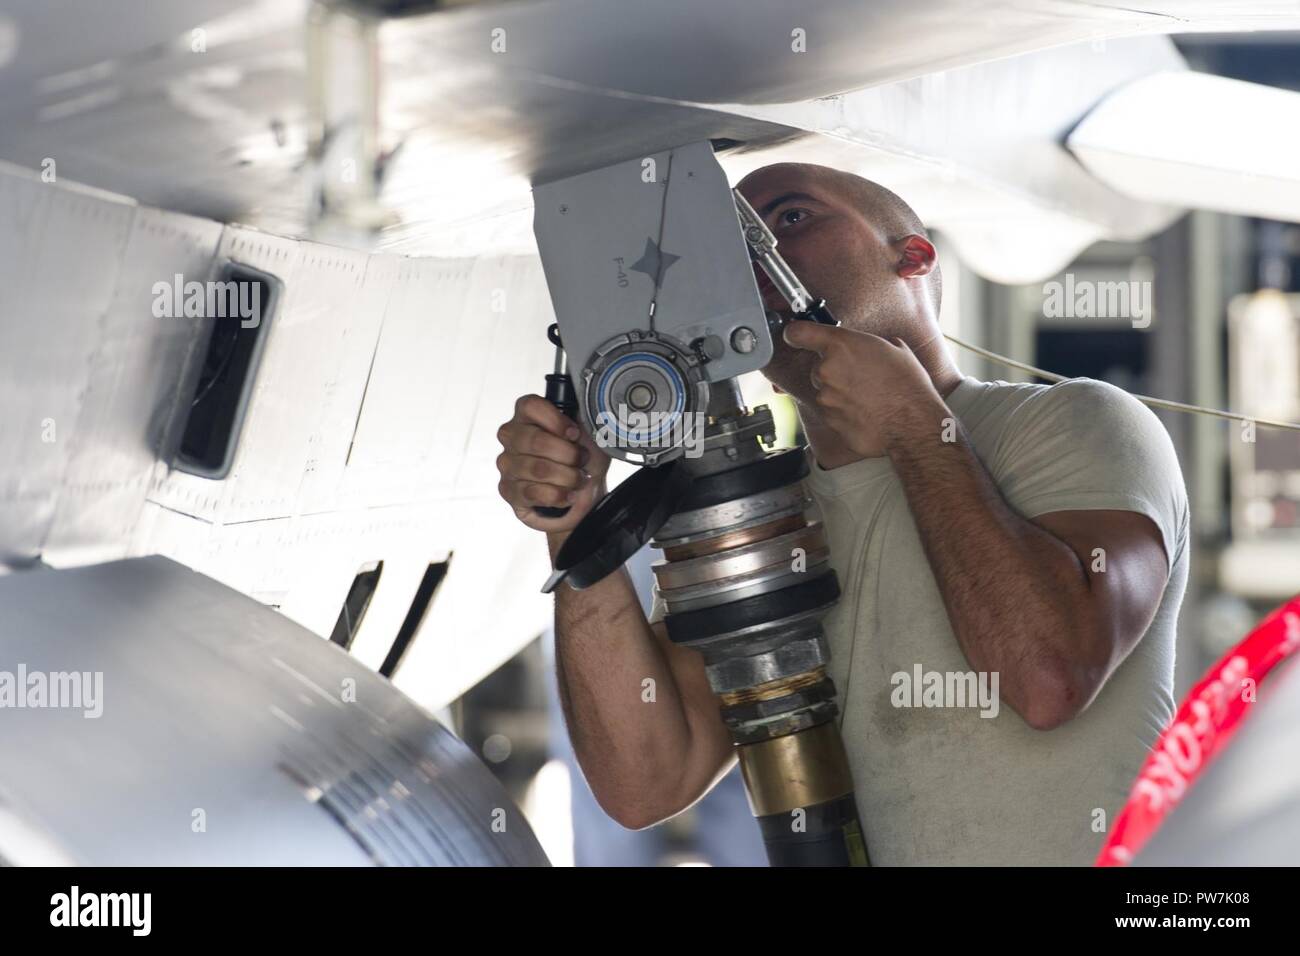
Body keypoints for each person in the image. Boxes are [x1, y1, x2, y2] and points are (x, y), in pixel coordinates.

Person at [495, 162, 1188, 865]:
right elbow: (646, 784)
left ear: (911, 258)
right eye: (734, 249)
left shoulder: (1080, 423)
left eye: (791, 219)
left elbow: (1049, 680)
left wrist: (916, 426)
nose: (757, 258)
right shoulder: (761, 520)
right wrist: (576, 530)